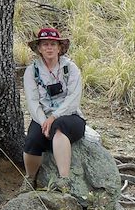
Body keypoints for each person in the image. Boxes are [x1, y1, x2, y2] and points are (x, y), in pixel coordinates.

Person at [21, 23, 86, 188]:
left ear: (59, 48)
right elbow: (32, 101)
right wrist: (43, 121)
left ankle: (64, 180)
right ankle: (30, 179)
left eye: (53, 44)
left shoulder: (70, 69)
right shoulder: (32, 71)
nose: (49, 48)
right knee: (32, 140)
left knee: (59, 125)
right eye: (45, 44)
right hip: (42, 117)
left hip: (70, 117)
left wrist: (53, 117)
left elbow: (73, 99)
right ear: (39, 49)